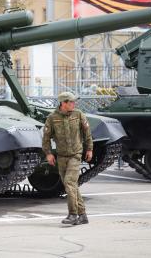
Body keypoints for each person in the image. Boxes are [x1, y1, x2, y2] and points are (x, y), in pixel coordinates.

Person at [42, 91, 93, 225]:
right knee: (72, 186)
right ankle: (83, 215)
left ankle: (73, 214)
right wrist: (48, 153)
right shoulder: (52, 118)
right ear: (63, 103)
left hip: (75, 155)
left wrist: (89, 149)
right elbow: (46, 138)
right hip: (61, 156)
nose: (74, 104)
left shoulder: (78, 114)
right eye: (71, 102)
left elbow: (87, 133)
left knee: (69, 183)